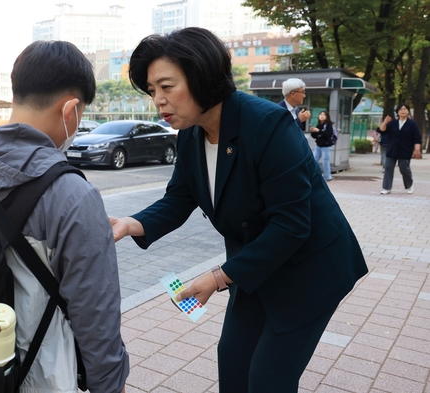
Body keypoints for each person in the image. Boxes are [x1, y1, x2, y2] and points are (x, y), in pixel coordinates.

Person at [110, 27, 368, 392]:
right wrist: (130, 223)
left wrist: (217, 277)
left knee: (267, 378)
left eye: (167, 87)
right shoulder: (190, 134)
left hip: (309, 268)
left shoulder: (268, 124)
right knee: (232, 362)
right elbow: (178, 199)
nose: (159, 101)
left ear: (201, 77)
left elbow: (292, 225)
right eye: (152, 91)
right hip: (254, 268)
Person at [0, 40, 129, 392]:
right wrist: (110, 385)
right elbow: (96, 315)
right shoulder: (74, 196)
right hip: (43, 373)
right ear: (71, 111)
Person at [377, 103, 422, 194]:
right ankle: (386, 188)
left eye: (405, 109)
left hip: (405, 150)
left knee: (404, 168)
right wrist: (385, 122)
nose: (403, 111)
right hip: (392, 149)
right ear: (397, 112)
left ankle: (409, 185)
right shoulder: (393, 123)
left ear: (408, 111)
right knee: (388, 168)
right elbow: (382, 131)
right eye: (401, 109)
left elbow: (417, 138)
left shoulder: (412, 124)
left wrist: (417, 150)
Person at [309, 110, 336, 181]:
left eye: (324, 115)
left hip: (326, 146)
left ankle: (327, 177)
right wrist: (313, 131)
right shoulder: (319, 125)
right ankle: (311, 175)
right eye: (320, 114)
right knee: (313, 160)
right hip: (318, 145)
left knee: (325, 161)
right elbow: (315, 136)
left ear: (327, 117)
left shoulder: (329, 125)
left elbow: (327, 134)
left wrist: (318, 131)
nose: (322, 116)